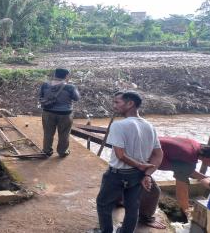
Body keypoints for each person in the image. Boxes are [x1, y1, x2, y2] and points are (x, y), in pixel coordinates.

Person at [96, 91, 163, 233]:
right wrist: (147, 174)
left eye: (117, 102)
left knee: (103, 204)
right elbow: (158, 154)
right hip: (138, 175)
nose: (114, 106)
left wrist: (140, 165)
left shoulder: (119, 126)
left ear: (130, 103)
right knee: (132, 207)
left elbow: (120, 155)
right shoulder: (150, 126)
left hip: (117, 174)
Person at [139, 136, 210, 229]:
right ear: (208, 159)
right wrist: (188, 213)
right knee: (154, 192)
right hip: (138, 158)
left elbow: (186, 169)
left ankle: (121, 200)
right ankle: (145, 219)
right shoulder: (188, 160)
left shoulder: (194, 145)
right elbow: (181, 192)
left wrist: (205, 177)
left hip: (139, 146)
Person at [38, 68, 80, 157]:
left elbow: (40, 96)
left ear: (55, 75)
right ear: (66, 76)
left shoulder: (45, 85)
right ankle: (62, 151)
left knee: (48, 133)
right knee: (64, 133)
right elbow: (77, 98)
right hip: (65, 114)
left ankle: (46, 151)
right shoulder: (70, 87)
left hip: (48, 112)